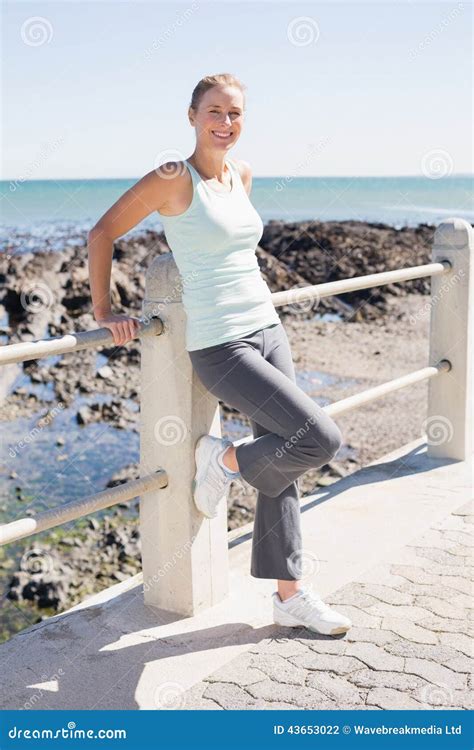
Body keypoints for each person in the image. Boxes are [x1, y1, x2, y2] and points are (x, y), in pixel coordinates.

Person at [87, 72, 351, 637]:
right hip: (220, 343)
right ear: (191, 116)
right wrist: (103, 312)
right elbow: (102, 232)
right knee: (318, 438)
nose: (225, 123)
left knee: (283, 463)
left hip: (268, 329)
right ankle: (225, 463)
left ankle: (289, 594)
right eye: (215, 112)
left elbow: (233, 251)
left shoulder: (242, 174)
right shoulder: (172, 178)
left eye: (235, 114)